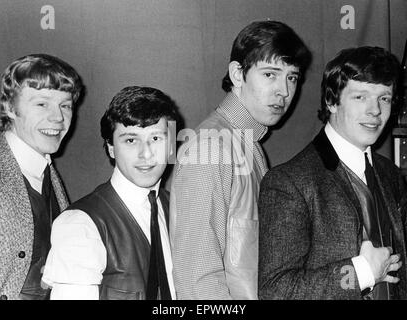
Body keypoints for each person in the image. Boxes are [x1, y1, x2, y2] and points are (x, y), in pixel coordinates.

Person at [170, 20, 311, 299]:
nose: (284, 91)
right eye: (270, 74)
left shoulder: (249, 142)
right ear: (237, 74)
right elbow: (197, 279)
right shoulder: (212, 146)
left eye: (292, 77)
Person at [258, 46, 407, 300]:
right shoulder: (289, 182)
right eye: (360, 97)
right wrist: (360, 272)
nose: (375, 111)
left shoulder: (389, 174)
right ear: (331, 101)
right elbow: (276, 291)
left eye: (383, 98)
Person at [42, 86, 180, 300]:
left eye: (156, 138)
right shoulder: (80, 223)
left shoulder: (178, 210)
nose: (146, 154)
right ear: (111, 148)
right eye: (131, 140)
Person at [0, 54, 83, 300]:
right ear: (10, 108)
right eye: (42, 104)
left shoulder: (50, 177)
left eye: (65, 105)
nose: (57, 118)